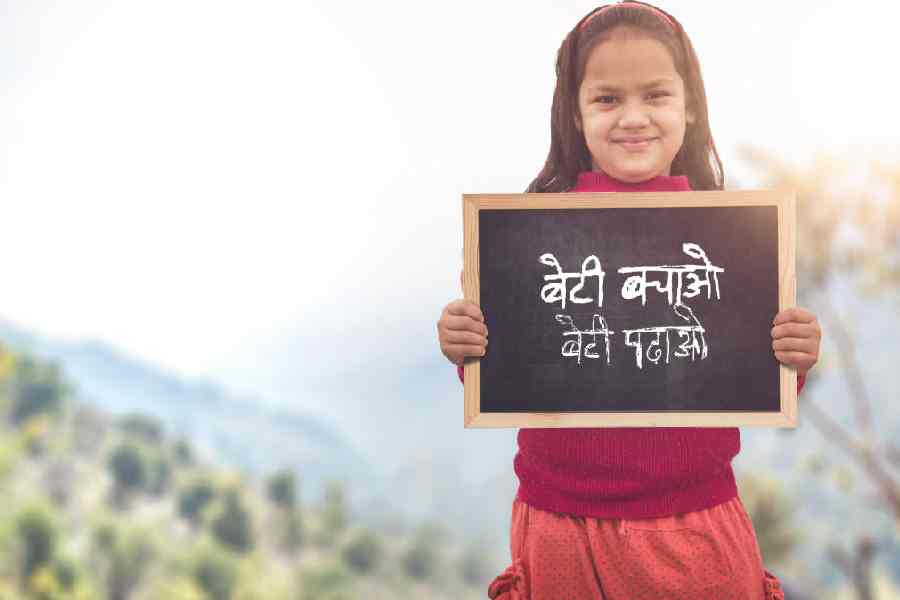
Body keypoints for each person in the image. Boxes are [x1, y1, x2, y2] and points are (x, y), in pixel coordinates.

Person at [436, 2, 822, 599]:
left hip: (693, 529)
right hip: (559, 529)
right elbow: (509, 372)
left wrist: (795, 356)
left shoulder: (736, 238)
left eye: (656, 95)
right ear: (575, 113)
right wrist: (464, 344)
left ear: (689, 106)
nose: (633, 118)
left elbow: (754, 376)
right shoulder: (529, 237)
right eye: (607, 99)